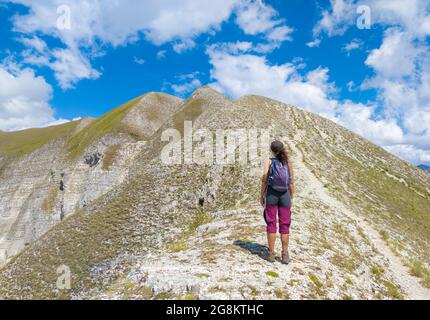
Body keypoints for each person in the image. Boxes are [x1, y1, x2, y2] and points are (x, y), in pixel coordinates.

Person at [260, 140, 295, 264]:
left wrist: (261, 195)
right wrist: (291, 197)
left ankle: (271, 253)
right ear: (283, 149)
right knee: (285, 224)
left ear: (272, 150)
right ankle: (285, 254)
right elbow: (291, 182)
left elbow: (264, 180)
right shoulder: (289, 163)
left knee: (271, 223)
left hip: (271, 195)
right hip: (284, 195)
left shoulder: (268, 161)